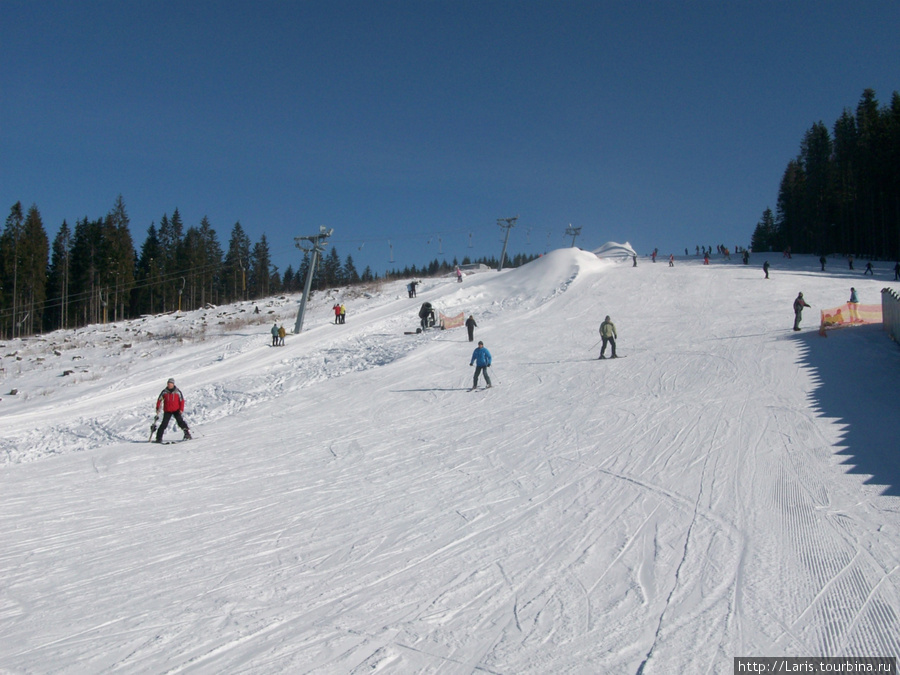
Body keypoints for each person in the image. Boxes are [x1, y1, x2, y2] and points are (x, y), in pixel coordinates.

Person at [155, 378, 191, 442]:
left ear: (173, 384)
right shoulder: (164, 392)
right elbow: (159, 400)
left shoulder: (177, 392)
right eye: (168, 384)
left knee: (180, 422)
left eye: (170, 384)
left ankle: (187, 434)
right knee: (164, 424)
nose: (169, 385)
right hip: (167, 410)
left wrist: (181, 409)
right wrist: (158, 408)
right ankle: (158, 437)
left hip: (176, 410)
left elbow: (181, 401)